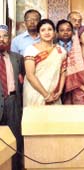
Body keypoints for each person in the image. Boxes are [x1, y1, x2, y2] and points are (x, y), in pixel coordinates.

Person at [23, 19, 67, 106]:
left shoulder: (61, 50)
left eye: (50, 29)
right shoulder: (31, 49)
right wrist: (46, 95)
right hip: (34, 92)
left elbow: (63, 72)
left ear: (54, 32)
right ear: (38, 34)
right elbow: (30, 75)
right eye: (43, 30)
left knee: (54, 119)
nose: (47, 32)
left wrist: (60, 91)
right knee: (35, 118)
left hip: (54, 94)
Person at [0, 24, 25, 170]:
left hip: (13, 103)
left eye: (4, 36)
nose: (1, 39)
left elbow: (22, 79)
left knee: (15, 140)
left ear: (9, 39)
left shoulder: (17, 58)